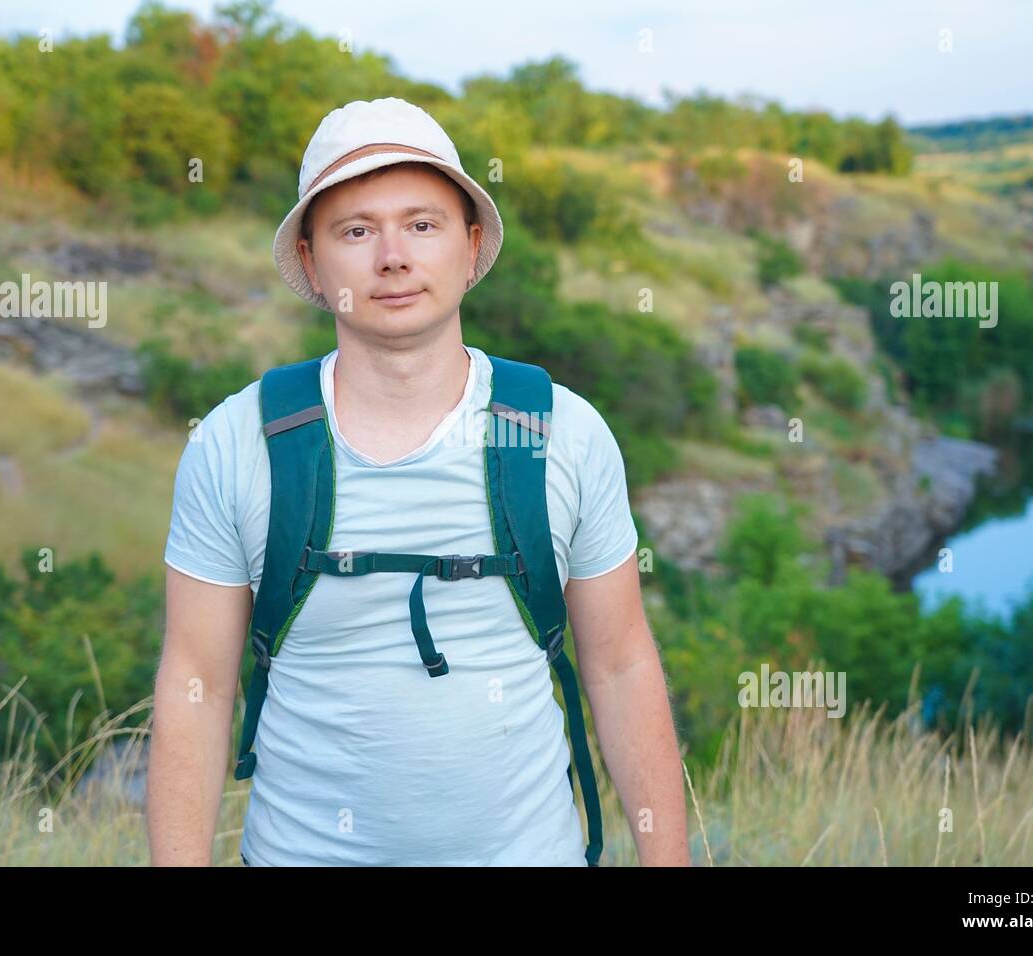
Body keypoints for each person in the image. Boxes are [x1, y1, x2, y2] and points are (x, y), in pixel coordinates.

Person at [147, 97, 689, 866]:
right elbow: (196, 684)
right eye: (356, 230)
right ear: (310, 260)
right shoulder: (236, 443)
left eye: (422, 224)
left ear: (471, 247)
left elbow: (622, 663)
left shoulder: (562, 432)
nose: (392, 257)